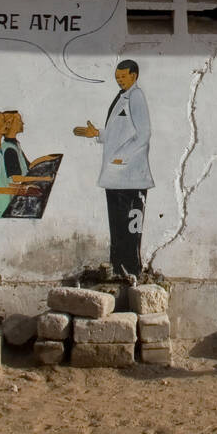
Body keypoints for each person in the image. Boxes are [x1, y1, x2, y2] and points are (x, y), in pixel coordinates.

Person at [73, 60, 153, 280]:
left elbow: (143, 134)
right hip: (116, 177)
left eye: (124, 77)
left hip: (132, 177)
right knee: (117, 228)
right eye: (117, 77)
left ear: (134, 76)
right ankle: (119, 271)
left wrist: (121, 158)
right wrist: (97, 134)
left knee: (130, 229)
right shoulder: (122, 97)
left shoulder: (136, 97)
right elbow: (120, 133)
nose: (120, 81)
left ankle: (132, 272)